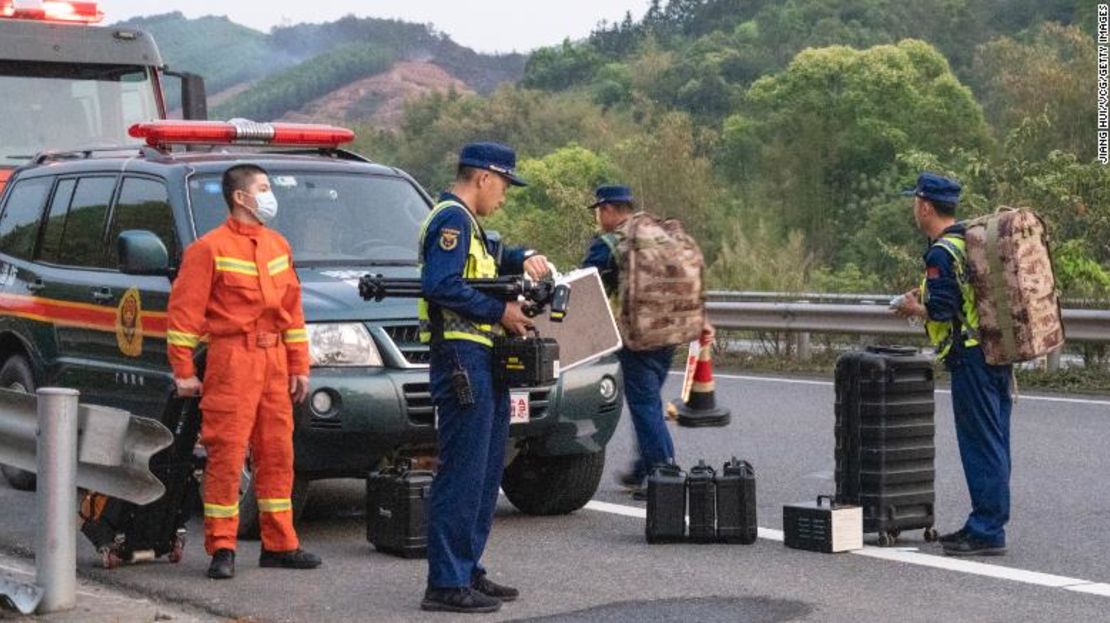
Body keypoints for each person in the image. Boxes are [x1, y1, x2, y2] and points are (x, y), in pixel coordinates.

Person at [167, 164, 322, 579]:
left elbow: (292, 313)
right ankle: (222, 547)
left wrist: (298, 365)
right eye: (264, 188)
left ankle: (280, 544)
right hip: (232, 360)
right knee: (227, 455)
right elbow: (184, 316)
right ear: (241, 197)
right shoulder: (209, 249)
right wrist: (183, 370)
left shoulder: (277, 246)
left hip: (273, 364)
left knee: (278, 454)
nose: (271, 196)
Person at [419, 142, 553, 613]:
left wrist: (526, 256)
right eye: (504, 185)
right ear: (483, 178)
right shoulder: (451, 220)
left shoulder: (470, 225)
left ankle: (467, 569)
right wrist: (501, 311)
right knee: (464, 469)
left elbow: (492, 259)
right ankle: (446, 582)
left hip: (481, 356)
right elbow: (440, 284)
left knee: (486, 470)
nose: (505, 195)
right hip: (460, 357)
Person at [893, 172, 1012, 557]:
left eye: (915, 201)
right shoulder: (968, 241)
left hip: (972, 358)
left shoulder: (942, 252)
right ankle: (987, 521)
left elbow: (943, 309)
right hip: (997, 351)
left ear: (925, 206)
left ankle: (986, 530)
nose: (915, 207)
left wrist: (914, 308)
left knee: (980, 445)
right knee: (995, 441)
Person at [581, 185, 713, 500]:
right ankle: (641, 469)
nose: (600, 218)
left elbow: (585, 282)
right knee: (649, 403)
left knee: (644, 406)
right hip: (672, 333)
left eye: (600, 211)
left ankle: (663, 471)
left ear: (609, 209)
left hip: (639, 338)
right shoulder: (663, 233)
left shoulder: (613, 242)